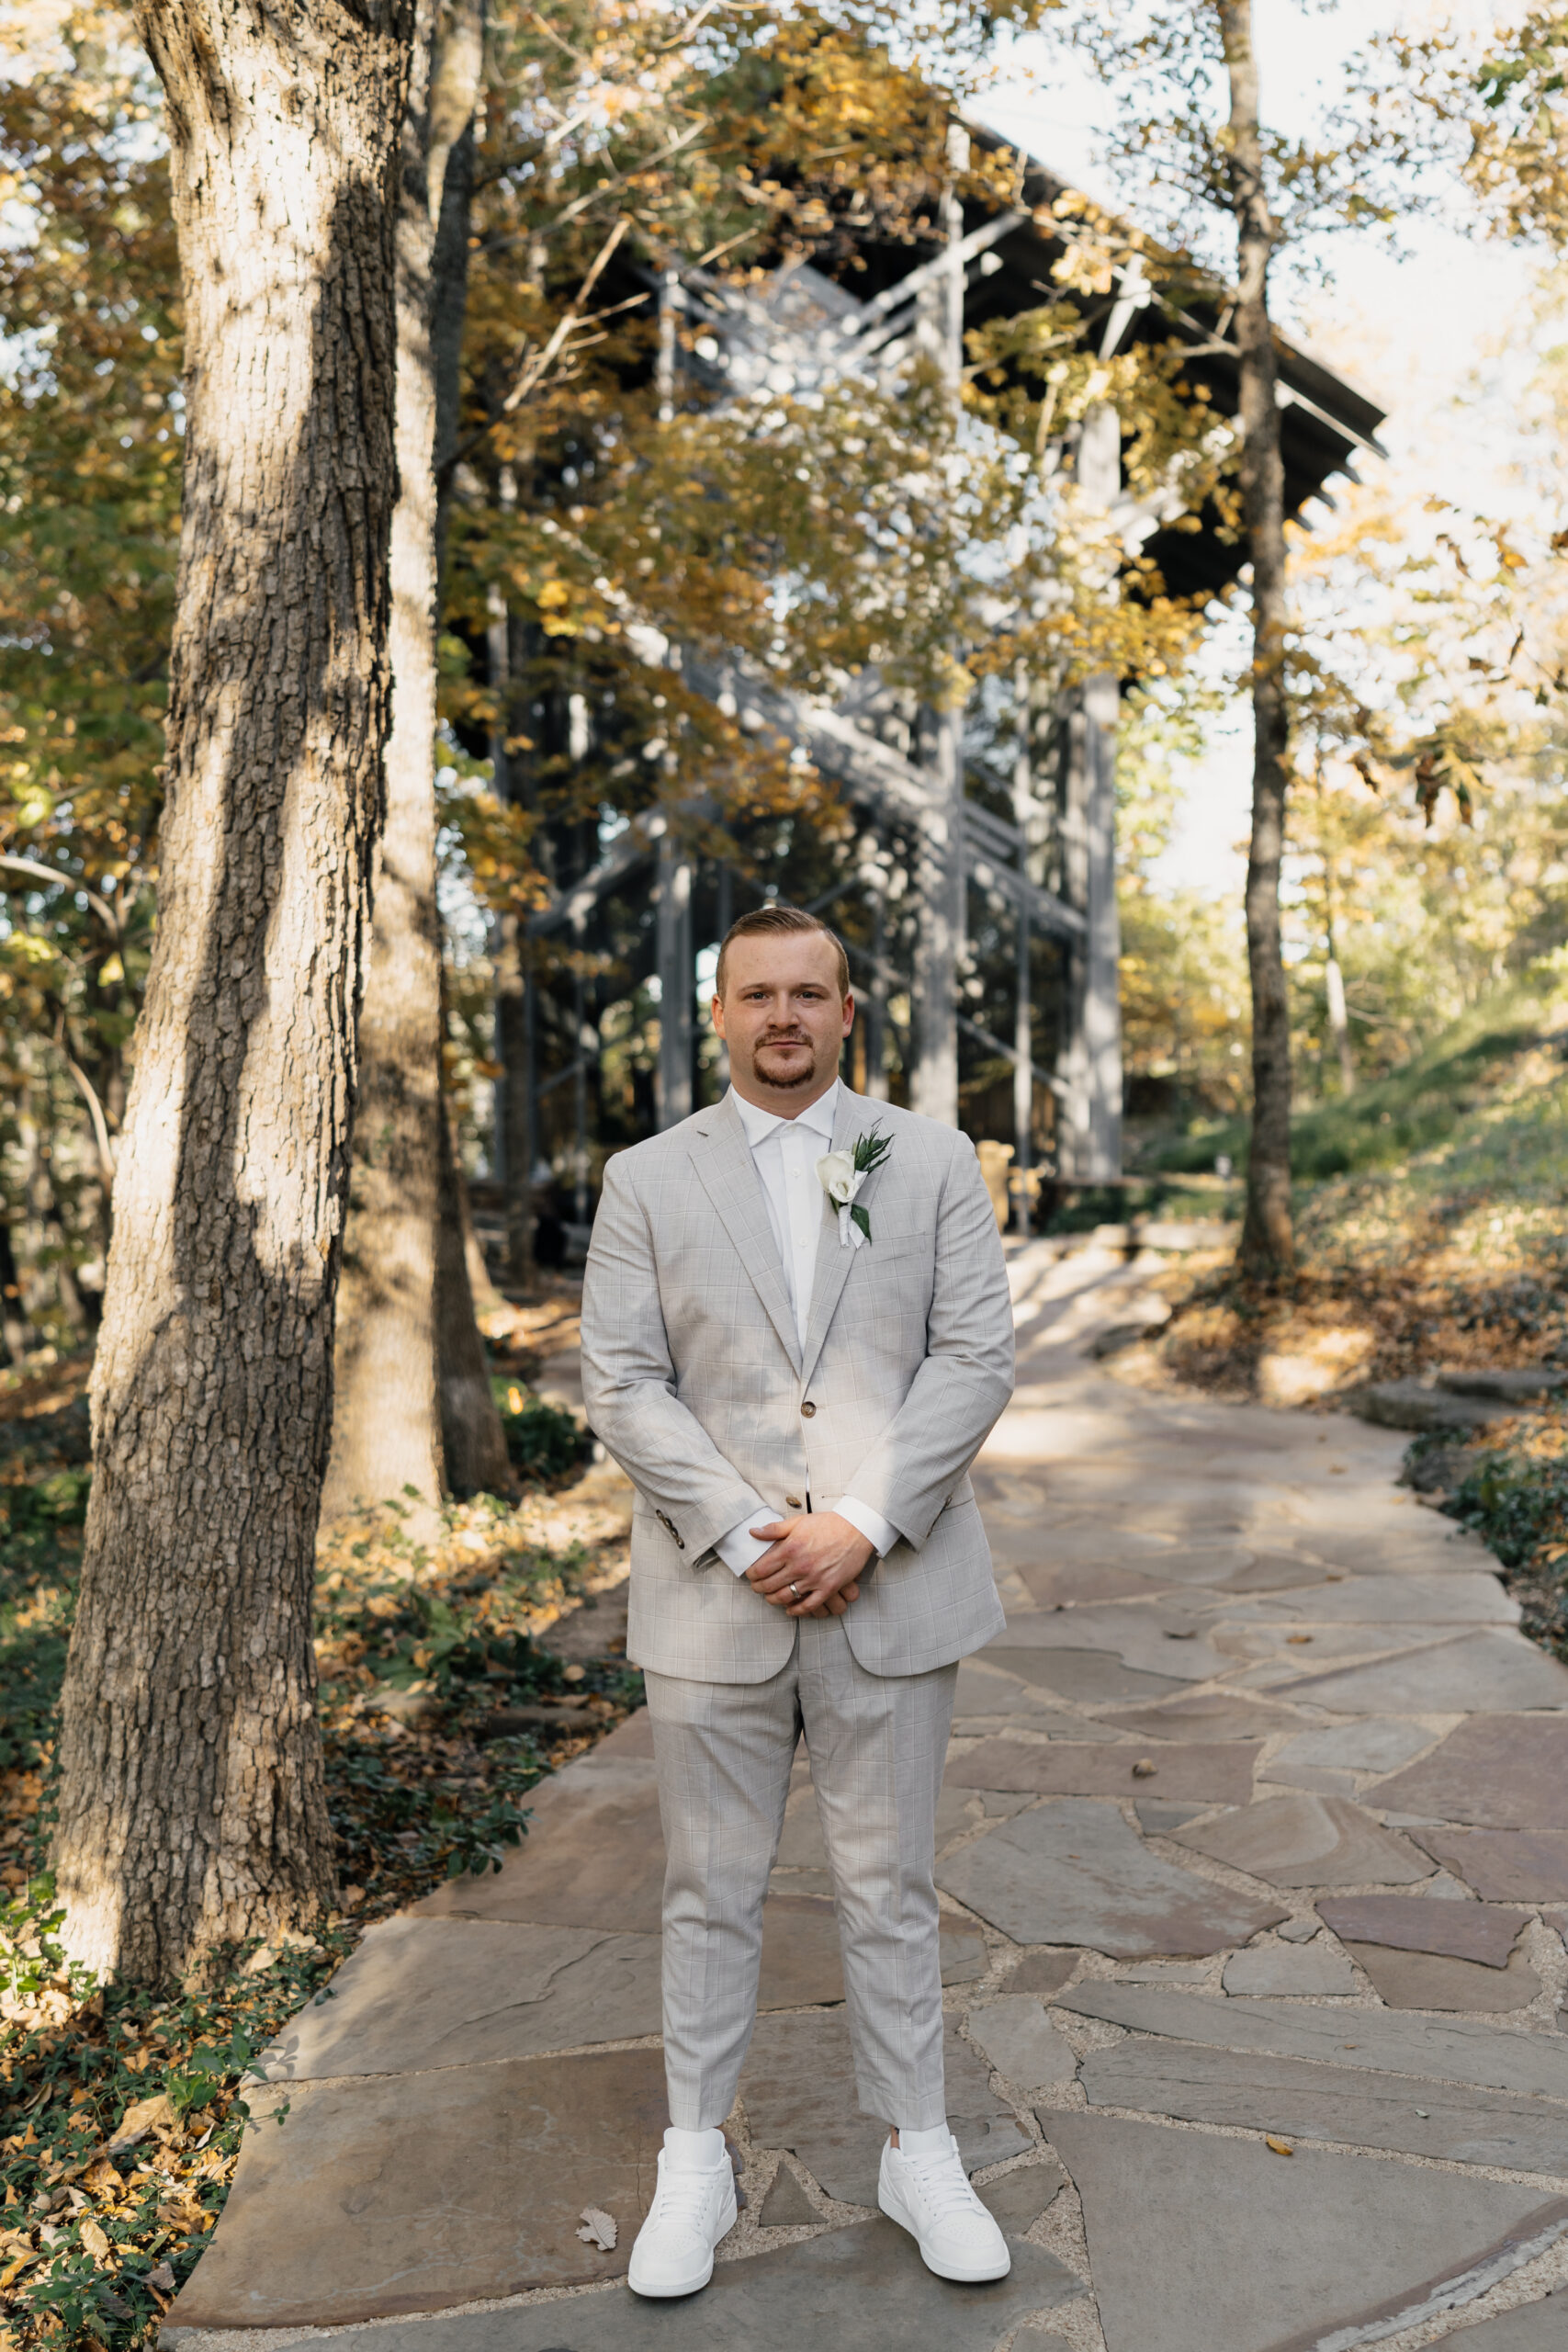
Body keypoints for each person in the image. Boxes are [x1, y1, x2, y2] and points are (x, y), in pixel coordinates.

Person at [580, 902, 1016, 2300]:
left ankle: (917, 2147)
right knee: (710, 1890)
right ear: (717, 1015)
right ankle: (695, 2164)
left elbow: (973, 1358)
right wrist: (742, 1528)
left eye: (808, 994)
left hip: (891, 1588)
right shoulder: (646, 1177)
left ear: (846, 1011)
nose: (783, 1016)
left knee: (889, 1888)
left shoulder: (934, 1159)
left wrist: (864, 1526)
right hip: (717, 1598)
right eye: (756, 994)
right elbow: (623, 1379)